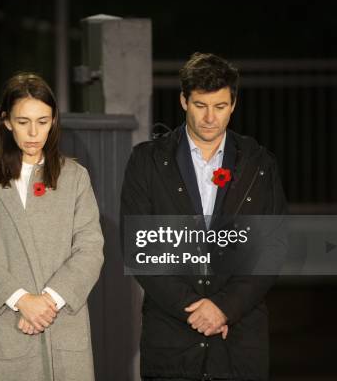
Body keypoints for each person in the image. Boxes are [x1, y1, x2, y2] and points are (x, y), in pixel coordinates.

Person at [121, 52, 287, 380]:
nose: (210, 117)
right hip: (171, 337)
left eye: (220, 106)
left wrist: (225, 308)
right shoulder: (147, 161)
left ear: (234, 104)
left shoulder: (259, 164)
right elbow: (138, 248)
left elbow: (273, 249)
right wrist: (197, 312)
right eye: (201, 105)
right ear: (184, 101)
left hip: (239, 338)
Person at [0, 73, 104, 380]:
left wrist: (46, 302)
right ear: (6, 121)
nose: (34, 132)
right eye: (23, 122)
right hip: (3, 326)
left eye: (43, 121)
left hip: (60, 322)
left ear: (54, 122)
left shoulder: (74, 177)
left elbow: (90, 249)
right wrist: (21, 300)